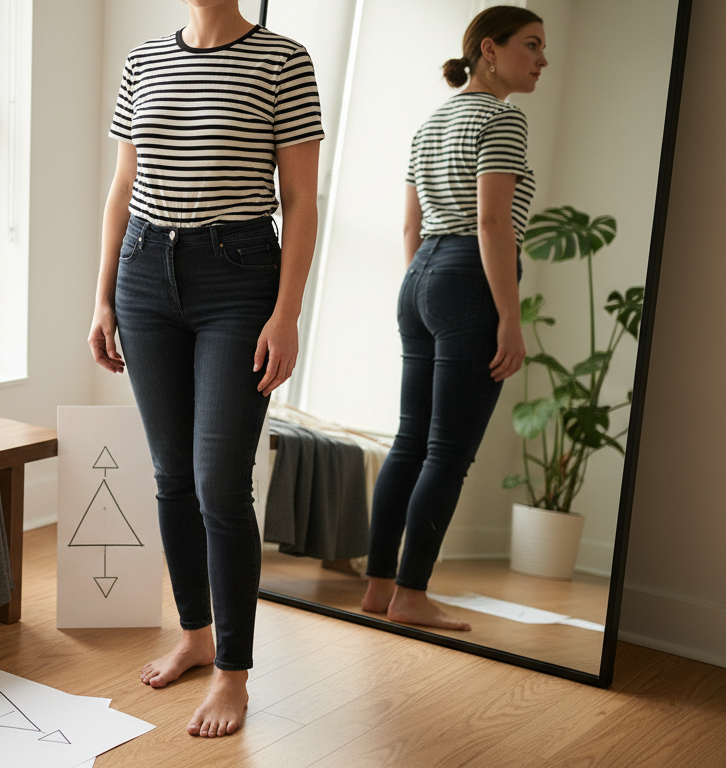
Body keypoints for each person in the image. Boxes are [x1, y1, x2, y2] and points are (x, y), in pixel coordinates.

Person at [87, 0, 322, 738]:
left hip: (239, 277)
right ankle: (194, 632)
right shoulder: (142, 60)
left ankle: (233, 671)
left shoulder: (284, 60)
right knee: (170, 476)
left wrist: (285, 314)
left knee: (220, 480)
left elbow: (302, 200)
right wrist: (101, 299)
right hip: (144, 275)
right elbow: (123, 186)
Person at [361, 6, 548, 631]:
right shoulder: (502, 118)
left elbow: (411, 227)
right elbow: (494, 224)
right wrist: (508, 318)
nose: (542, 60)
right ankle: (411, 596)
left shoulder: (430, 122)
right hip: (470, 276)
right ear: (488, 50)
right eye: (531, 45)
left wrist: (426, 286)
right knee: (447, 451)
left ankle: (379, 585)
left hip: (421, 279)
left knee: (410, 441)